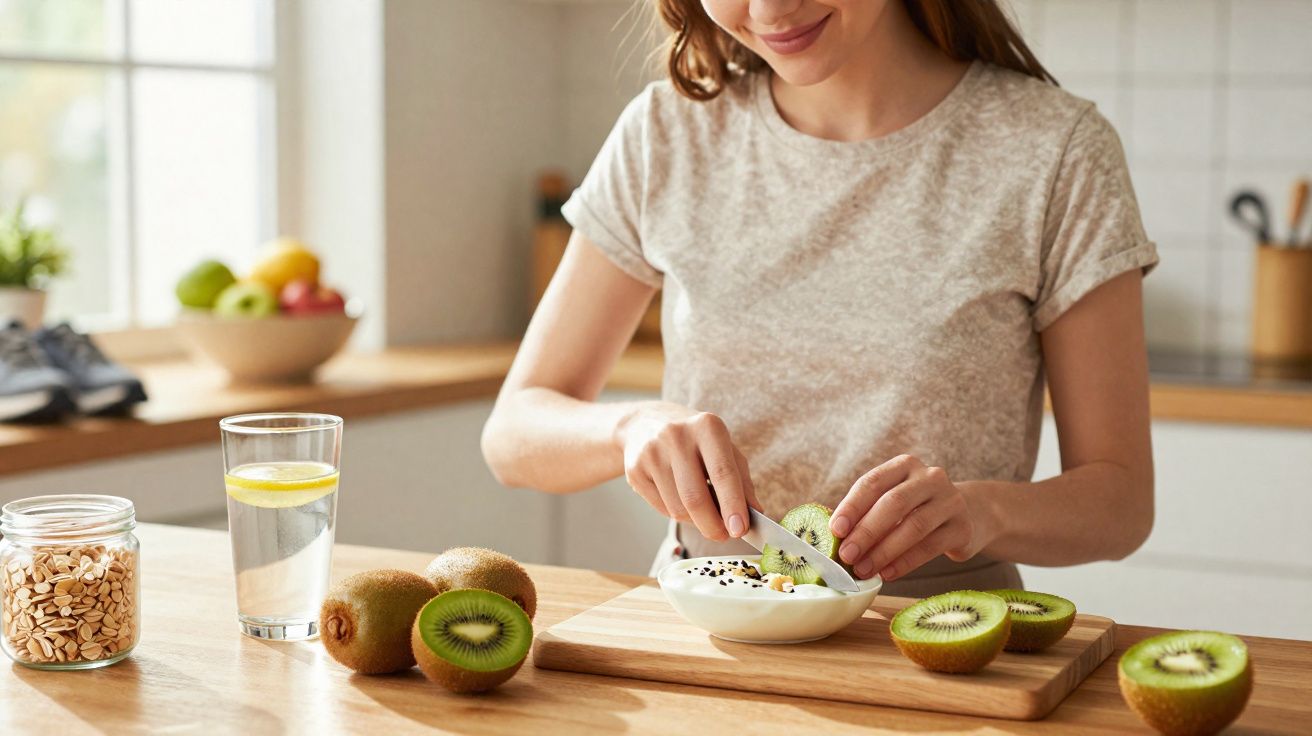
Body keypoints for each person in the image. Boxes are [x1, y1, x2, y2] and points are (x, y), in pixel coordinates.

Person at [482, 0, 1156, 596]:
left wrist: (985, 512)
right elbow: (513, 433)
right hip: (707, 634)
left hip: (942, 644)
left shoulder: (1055, 151)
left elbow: (1120, 502)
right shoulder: (666, 135)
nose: (771, 9)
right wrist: (628, 431)